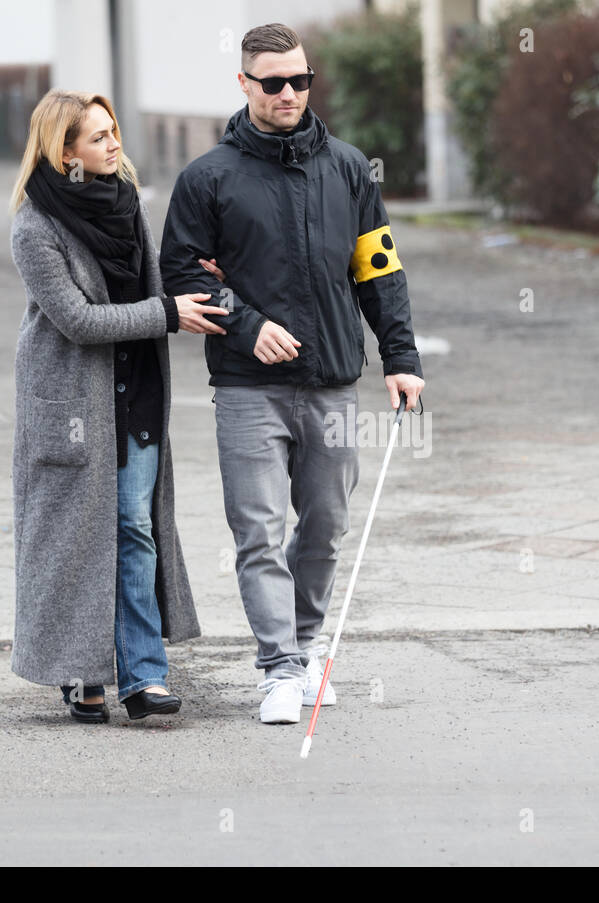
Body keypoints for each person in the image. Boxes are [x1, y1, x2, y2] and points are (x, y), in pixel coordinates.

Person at [160, 23, 426, 725]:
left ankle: (308, 652)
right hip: (248, 390)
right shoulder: (206, 178)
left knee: (325, 527)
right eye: (272, 82)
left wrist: (401, 358)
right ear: (244, 84)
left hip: (335, 381)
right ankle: (277, 670)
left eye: (299, 80)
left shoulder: (347, 168)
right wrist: (248, 326)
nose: (287, 94)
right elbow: (181, 271)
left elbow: (380, 268)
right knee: (257, 531)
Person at [8, 89, 229, 723]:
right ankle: (80, 671)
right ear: (64, 151)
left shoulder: (127, 202)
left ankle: (143, 675)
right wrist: (166, 315)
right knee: (76, 542)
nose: (114, 145)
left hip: (135, 399)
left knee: (135, 531)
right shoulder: (34, 226)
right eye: (99, 137)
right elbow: (77, 320)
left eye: (113, 132)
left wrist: (202, 284)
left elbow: (158, 282)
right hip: (73, 406)